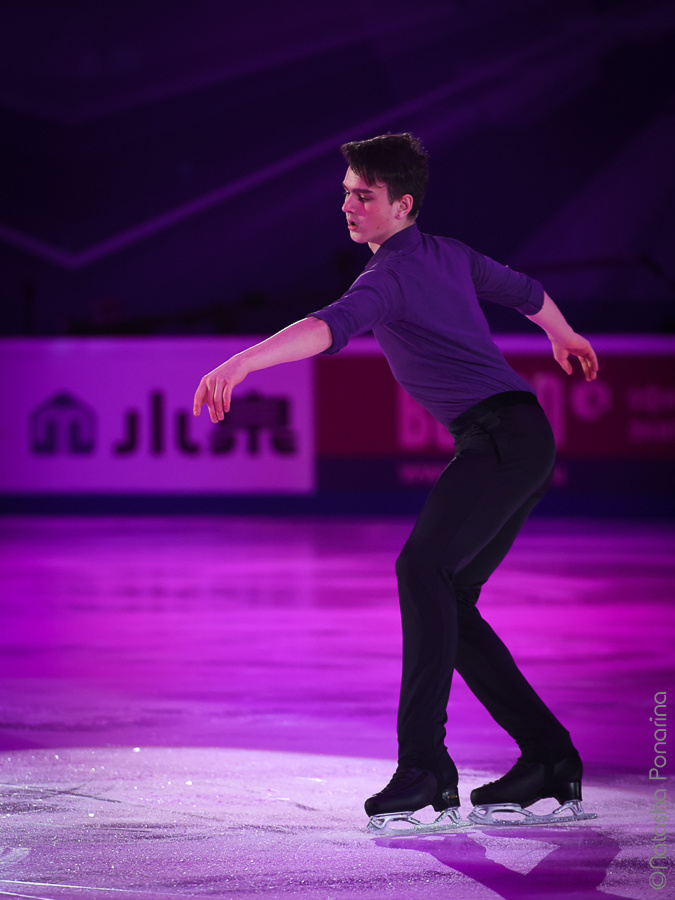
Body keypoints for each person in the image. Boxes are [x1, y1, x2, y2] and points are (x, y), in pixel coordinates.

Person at [193, 133, 599, 825]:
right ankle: (549, 758)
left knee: (420, 572)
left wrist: (242, 363)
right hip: (516, 437)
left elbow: (330, 327)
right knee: (449, 598)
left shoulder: (390, 276)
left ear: (400, 204)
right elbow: (526, 293)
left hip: (499, 439)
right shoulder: (447, 254)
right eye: (346, 192)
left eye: (363, 196)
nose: (347, 205)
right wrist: (563, 334)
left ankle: (424, 767)